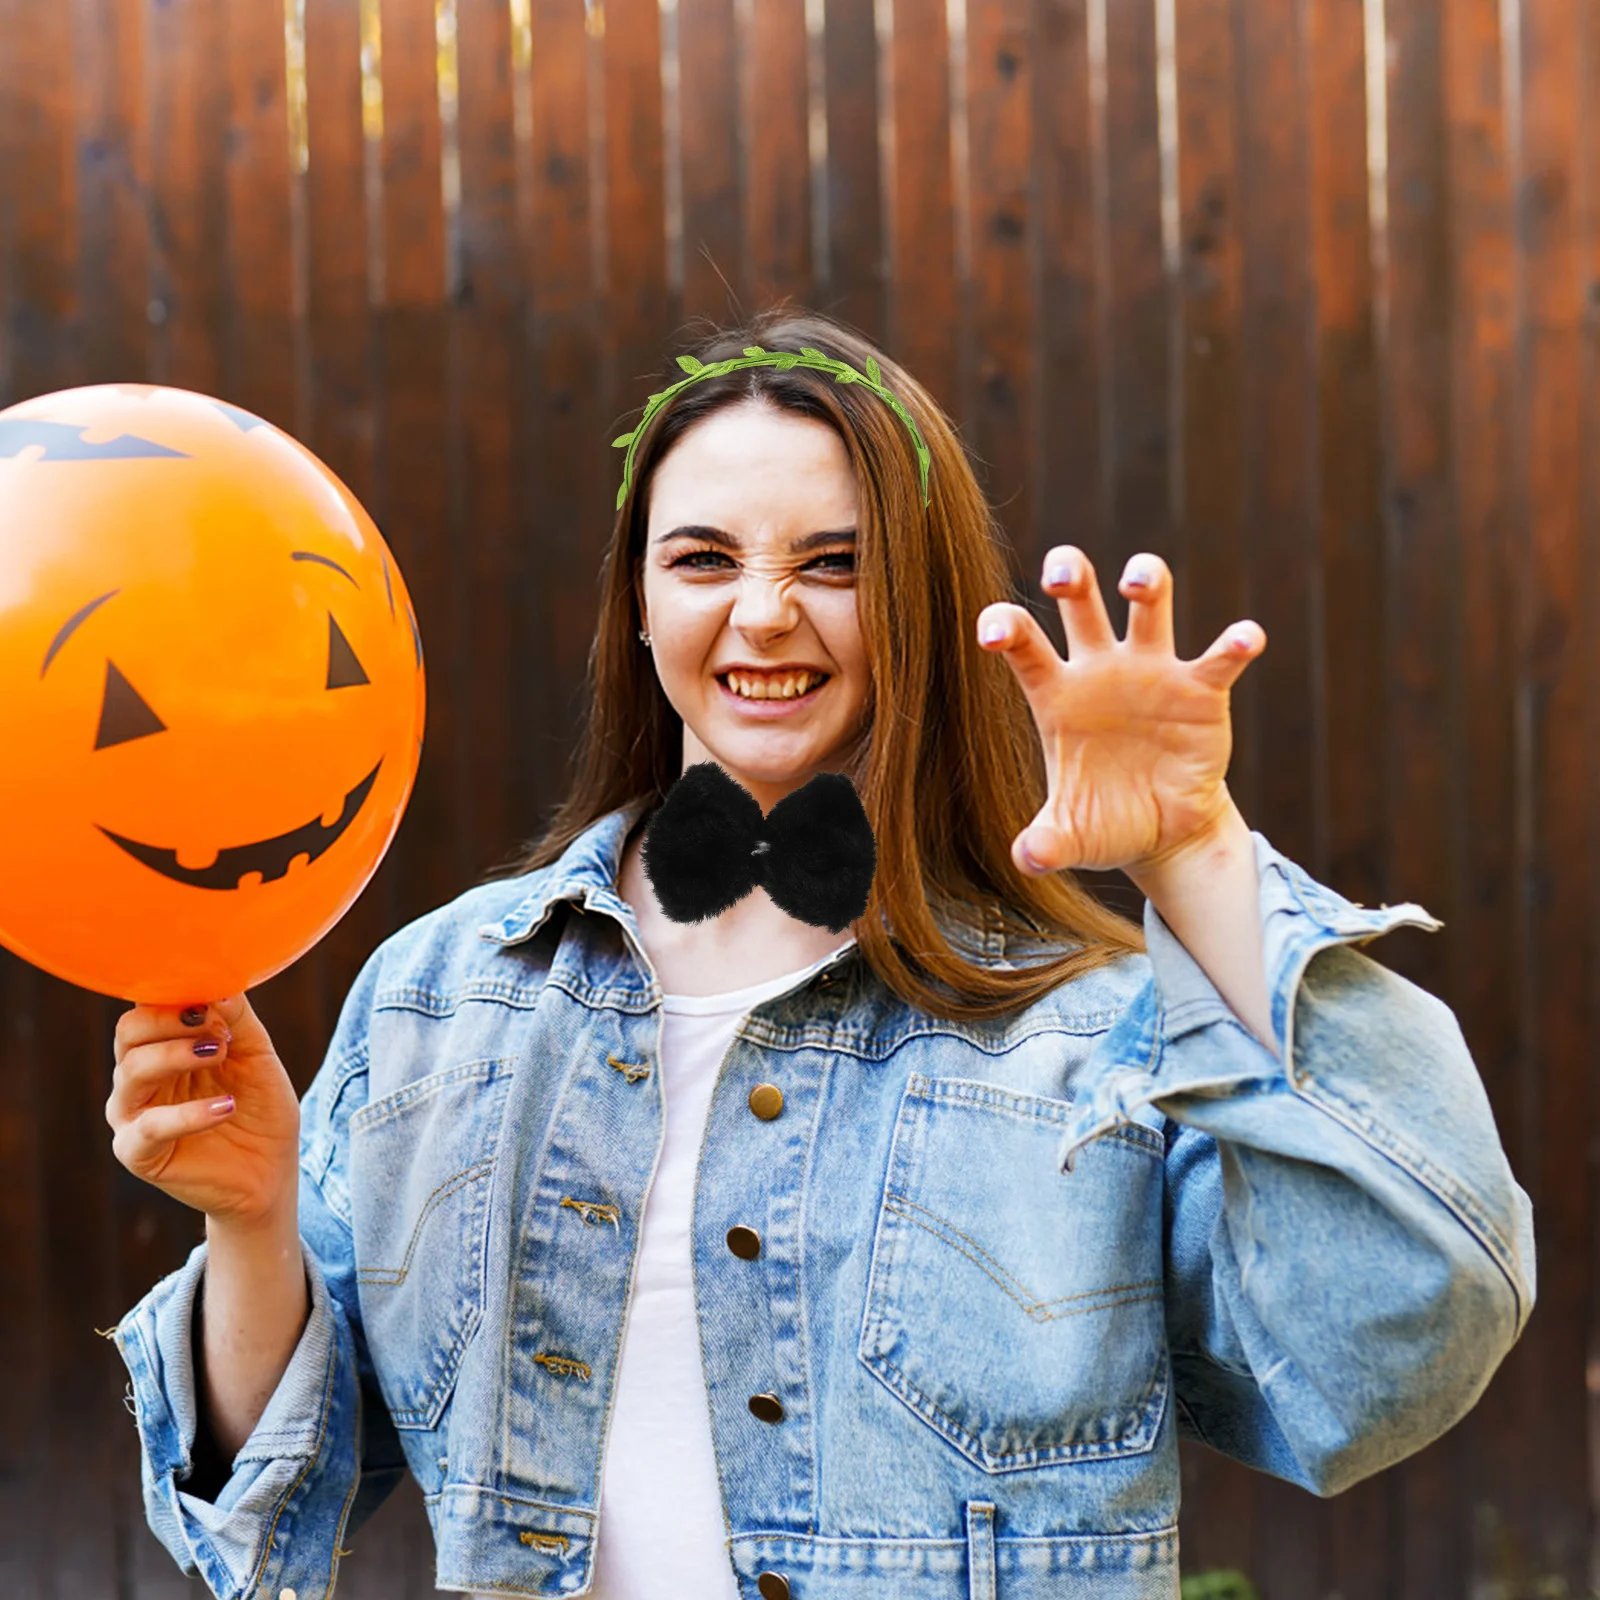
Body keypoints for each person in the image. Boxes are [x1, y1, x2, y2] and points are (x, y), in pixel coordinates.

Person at [106, 307, 1534, 1600]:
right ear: (639, 605)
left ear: (919, 603)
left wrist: (1197, 848)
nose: (764, 611)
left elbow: (1392, 1344)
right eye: (703, 559)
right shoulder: (440, 999)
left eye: (835, 564)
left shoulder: (1092, 1035)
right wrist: (254, 1218)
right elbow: (273, 1502)